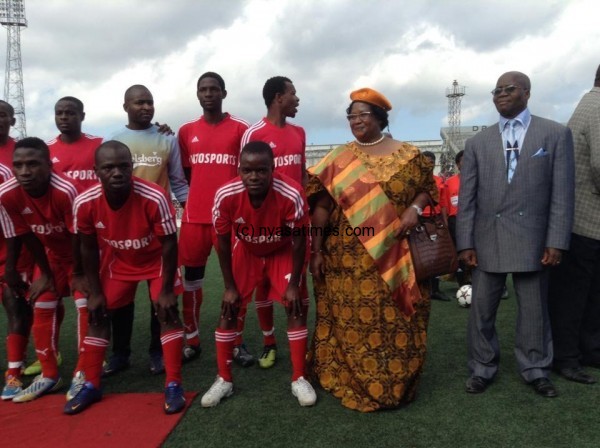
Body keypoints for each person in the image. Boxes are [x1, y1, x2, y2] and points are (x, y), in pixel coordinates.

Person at [307, 87, 436, 412]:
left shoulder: (410, 155)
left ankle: (397, 384)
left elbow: (426, 190)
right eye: (351, 115)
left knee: (399, 319)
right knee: (352, 324)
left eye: (363, 114)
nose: (356, 120)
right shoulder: (338, 159)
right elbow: (321, 209)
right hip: (346, 264)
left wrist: (414, 210)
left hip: (397, 257)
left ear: (380, 117)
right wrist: (317, 250)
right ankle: (354, 379)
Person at [457, 71, 574, 398]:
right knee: (481, 309)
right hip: (486, 238)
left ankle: (536, 369)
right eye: (496, 91)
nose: (501, 95)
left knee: (535, 311)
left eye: (509, 89)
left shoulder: (555, 134)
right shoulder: (477, 143)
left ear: (527, 93)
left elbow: (562, 194)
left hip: (535, 239)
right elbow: (467, 197)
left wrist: (556, 240)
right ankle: (481, 368)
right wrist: (465, 242)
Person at [65, 140, 185, 415]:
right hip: (119, 261)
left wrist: (166, 289)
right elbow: (87, 247)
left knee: (167, 310)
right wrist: (94, 291)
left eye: (123, 166)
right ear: (96, 171)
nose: (117, 173)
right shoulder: (84, 202)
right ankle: (92, 384)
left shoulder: (154, 196)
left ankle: (173, 383)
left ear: (132, 167)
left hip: (155, 261)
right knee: (97, 311)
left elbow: (169, 243)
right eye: (109, 168)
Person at [201, 141, 316, 408]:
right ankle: (224, 380)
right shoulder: (226, 194)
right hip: (247, 250)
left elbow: (300, 240)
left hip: (283, 249)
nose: (254, 177)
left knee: (295, 306)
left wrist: (295, 283)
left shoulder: (291, 193)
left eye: (262, 170)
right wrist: (229, 286)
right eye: (247, 170)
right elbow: (222, 241)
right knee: (228, 308)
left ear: (273, 169)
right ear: (239, 170)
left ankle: (299, 377)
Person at [107, 84, 189, 376]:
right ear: (126, 106)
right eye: (139, 102)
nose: (146, 107)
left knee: (162, 296)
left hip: (159, 231)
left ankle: (158, 351)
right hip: (122, 233)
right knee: (119, 299)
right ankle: (120, 353)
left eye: (150, 102)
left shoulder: (167, 138)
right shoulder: (114, 139)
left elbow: (178, 181)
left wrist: (189, 209)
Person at [21, 97, 104, 379]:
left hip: (90, 235)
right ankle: (48, 358)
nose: (64, 117)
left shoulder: (98, 145)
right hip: (54, 239)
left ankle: (94, 357)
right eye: (59, 113)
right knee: (44, 298)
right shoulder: (44, 151)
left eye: (70, 112)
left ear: (82, 115)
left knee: (90, 298)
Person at [0, 137, 87, 403]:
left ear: (49, 165)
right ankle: (50, 375)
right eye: (19, 165)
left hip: (83, 254)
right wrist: (47, 273)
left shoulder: (66, 190)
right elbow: (26, 234)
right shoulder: (8, 193)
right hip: (50, 255)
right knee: (41, 303)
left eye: (33, 164)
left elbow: (80, 237)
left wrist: (80, 274)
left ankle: (83, 373)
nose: (25, 171)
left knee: (85, 303)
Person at [177, 72, 248, 363]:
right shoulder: (185, 131)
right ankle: (192, 338)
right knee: (191, 281)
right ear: (197, 95)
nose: (209, 94)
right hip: (194, 219)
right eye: (203, 90)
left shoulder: (241, 129)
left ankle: (235, 341)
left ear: (224, 93)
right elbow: (187, 173)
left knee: (237, 282)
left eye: (214, 89)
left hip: (230, 219)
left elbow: (246, 172)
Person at [237, 76, 306, 369]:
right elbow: (243, 180)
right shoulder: (254, 133)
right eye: (293, 93)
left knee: (298, 287)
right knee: (262, 286)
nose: (297, 99)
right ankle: (269, 343)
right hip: (263, 226)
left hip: (296, 221)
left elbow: (302, 174)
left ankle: (302, 355)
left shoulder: (299, 132)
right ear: (278, 97)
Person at [548, 64, 600, 385]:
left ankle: (587, 350)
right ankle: (566, 357)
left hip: (584, 221)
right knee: (574, 295)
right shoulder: (597, 105)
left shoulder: (588, 102)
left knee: (589, 293)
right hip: (585, 221)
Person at [421, 150, 451, 301]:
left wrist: (445, 223)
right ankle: (421, 289)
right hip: (419, 221)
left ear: (434, 164)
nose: (428, 165)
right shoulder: (414, 181)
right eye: (425, 162)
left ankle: (435, 289)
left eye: (431, 162)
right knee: (421, 254)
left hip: (435, 219)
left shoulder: (439, 181)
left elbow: (444, 203)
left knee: (437, 254)